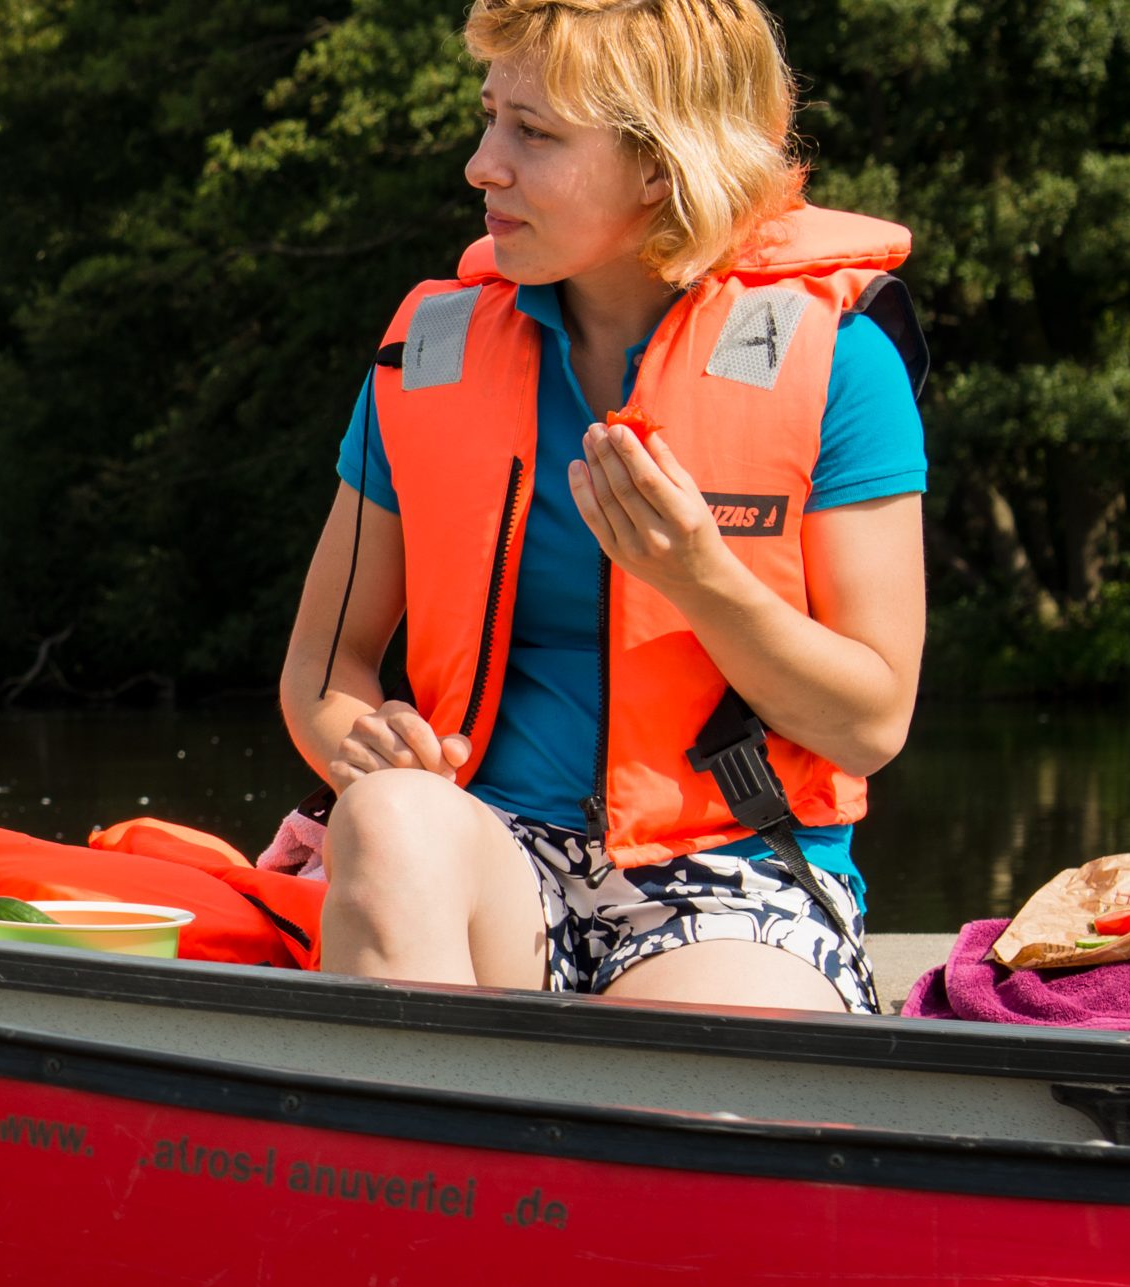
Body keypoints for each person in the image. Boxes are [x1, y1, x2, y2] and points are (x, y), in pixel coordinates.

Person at [278, 0, 926, 1014]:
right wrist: (356, 741)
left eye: (533, 133)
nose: (483, 164)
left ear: (663, 166)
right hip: (487, 854)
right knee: (389, 817)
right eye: (490, 118)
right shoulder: (424, 357)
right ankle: (430, 1172)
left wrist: (702, 582)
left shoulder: (839, 365)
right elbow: (326, 670)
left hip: (732, 879)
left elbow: (869, 724)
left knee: (692, 1042)